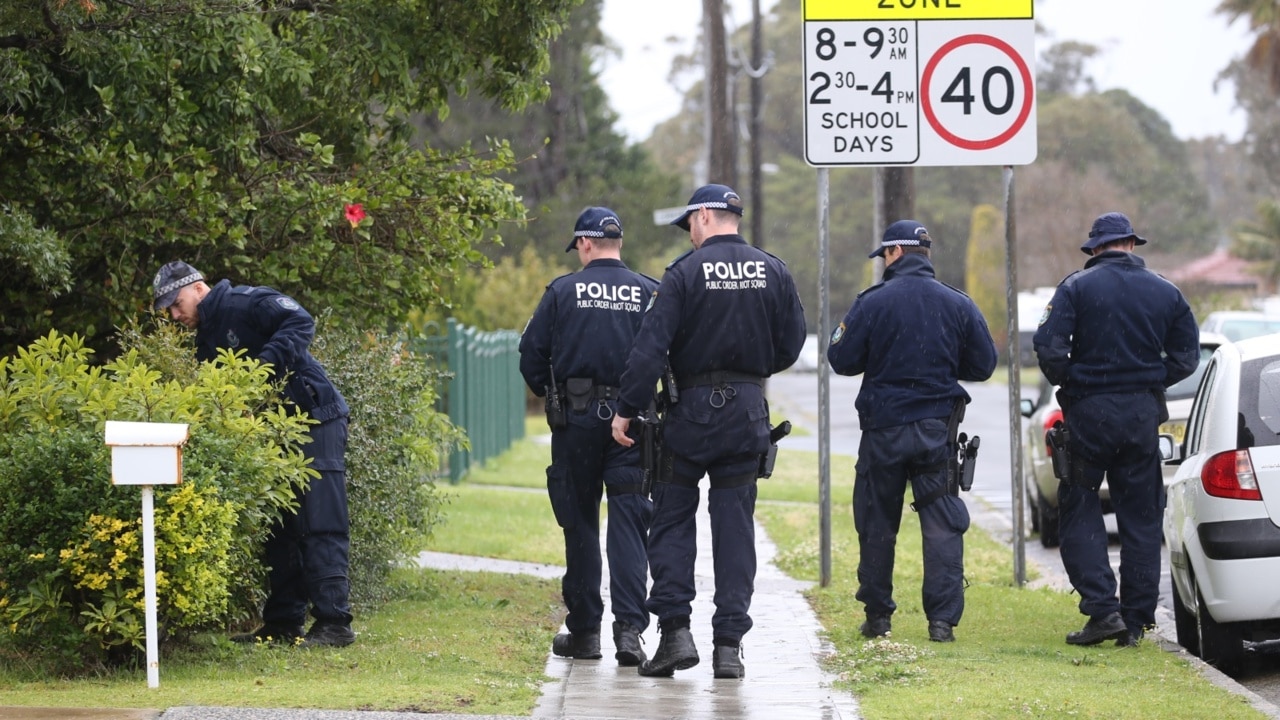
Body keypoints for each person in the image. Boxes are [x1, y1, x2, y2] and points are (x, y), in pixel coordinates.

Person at [610, 184, 806, 679]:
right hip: (746, 413)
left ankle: (675, 633)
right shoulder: (773, 269)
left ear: (702, 217)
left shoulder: (683, 274)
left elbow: (649, 349)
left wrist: (626, 409)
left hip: (689, 412)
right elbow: (791, 344)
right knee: (735, 527)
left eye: (689, 225)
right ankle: (728, 646)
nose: (690, 236)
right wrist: (748, 371)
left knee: (673, 519)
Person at [152, 261, 355, 648]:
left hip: (315, 417)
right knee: (279, 527)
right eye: (169, 311)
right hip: (271, 430)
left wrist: (261, 369)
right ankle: (283, 625)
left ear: (197, 287)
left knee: (320, 519)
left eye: (176, 304)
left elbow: (301, 322)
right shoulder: (205, 341)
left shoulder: (247, 302)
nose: (175, 316)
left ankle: (334, 623)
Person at [827, 219, 998, 644]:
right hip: (935, 432)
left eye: (884, 255)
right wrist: (938, 364)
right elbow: (983, 366)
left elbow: (841, 359)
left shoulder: (873, 302)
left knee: (877, 522)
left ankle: (878, 615)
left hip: (883, 431)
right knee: (941, 524)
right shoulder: (958, 303)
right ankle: (941, 621)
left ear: (896, 253)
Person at [1033, 211, 1199, 647]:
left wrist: (1073, 382)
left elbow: (1048, 347)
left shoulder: (1075, 288)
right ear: (1131, 244)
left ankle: (1103, 610)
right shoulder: (1166, 291)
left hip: (1088, 414)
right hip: (1141, 416)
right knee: (1141, 520)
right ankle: (1138, 618)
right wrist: (1148, 381)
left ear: (1095, 249)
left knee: (1080, 509)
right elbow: (1186, 356)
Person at [517, 207, 659, 666]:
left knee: (579, 523)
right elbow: (666, 354)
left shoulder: (563, 291)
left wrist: (552, 395)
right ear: (617, 243)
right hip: (632, 423)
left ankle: (585, 633)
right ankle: (630, 632)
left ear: (584, 243)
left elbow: (531, 356)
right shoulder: (648, 291)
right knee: (629, 526)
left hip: (575, 422)